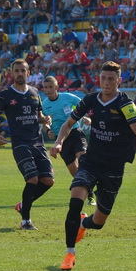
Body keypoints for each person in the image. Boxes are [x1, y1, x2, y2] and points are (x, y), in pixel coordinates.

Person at [50, 61, 136, 271]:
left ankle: (83, 224)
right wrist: (58, 142)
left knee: (98, 222)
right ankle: (69, 253)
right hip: (91, 160)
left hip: (114, 167)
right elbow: (68, 124)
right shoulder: (90, 100)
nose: (106, 83)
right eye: (103, 78)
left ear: (119, 80)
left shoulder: (126, 104)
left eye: (111, 79)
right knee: (75, 199)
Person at [0, 59, 53, 230]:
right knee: (32, 178)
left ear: (28, 73)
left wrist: (45, 120)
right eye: (16, 70)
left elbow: (38, 115)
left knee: (48, 180)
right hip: (20, 144)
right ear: (11, 73)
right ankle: (26, 221)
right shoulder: (5, 95)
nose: (19, 73)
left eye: (22, 70)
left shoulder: (34, 92)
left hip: (37, 142)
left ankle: (23, 204)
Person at [40, 75, 96, 206]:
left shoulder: (68, 98)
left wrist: (88, 118)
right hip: (61, 140)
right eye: (46, 88)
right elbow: (44, 123)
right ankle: (89, 191)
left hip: (75, 133)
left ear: (57, 87)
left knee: (83, 158)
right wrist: (48, 130)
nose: (49, 90)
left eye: (51, 87)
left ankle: (91, 194)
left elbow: (84, 106)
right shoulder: (44, 105)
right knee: (74, 171)